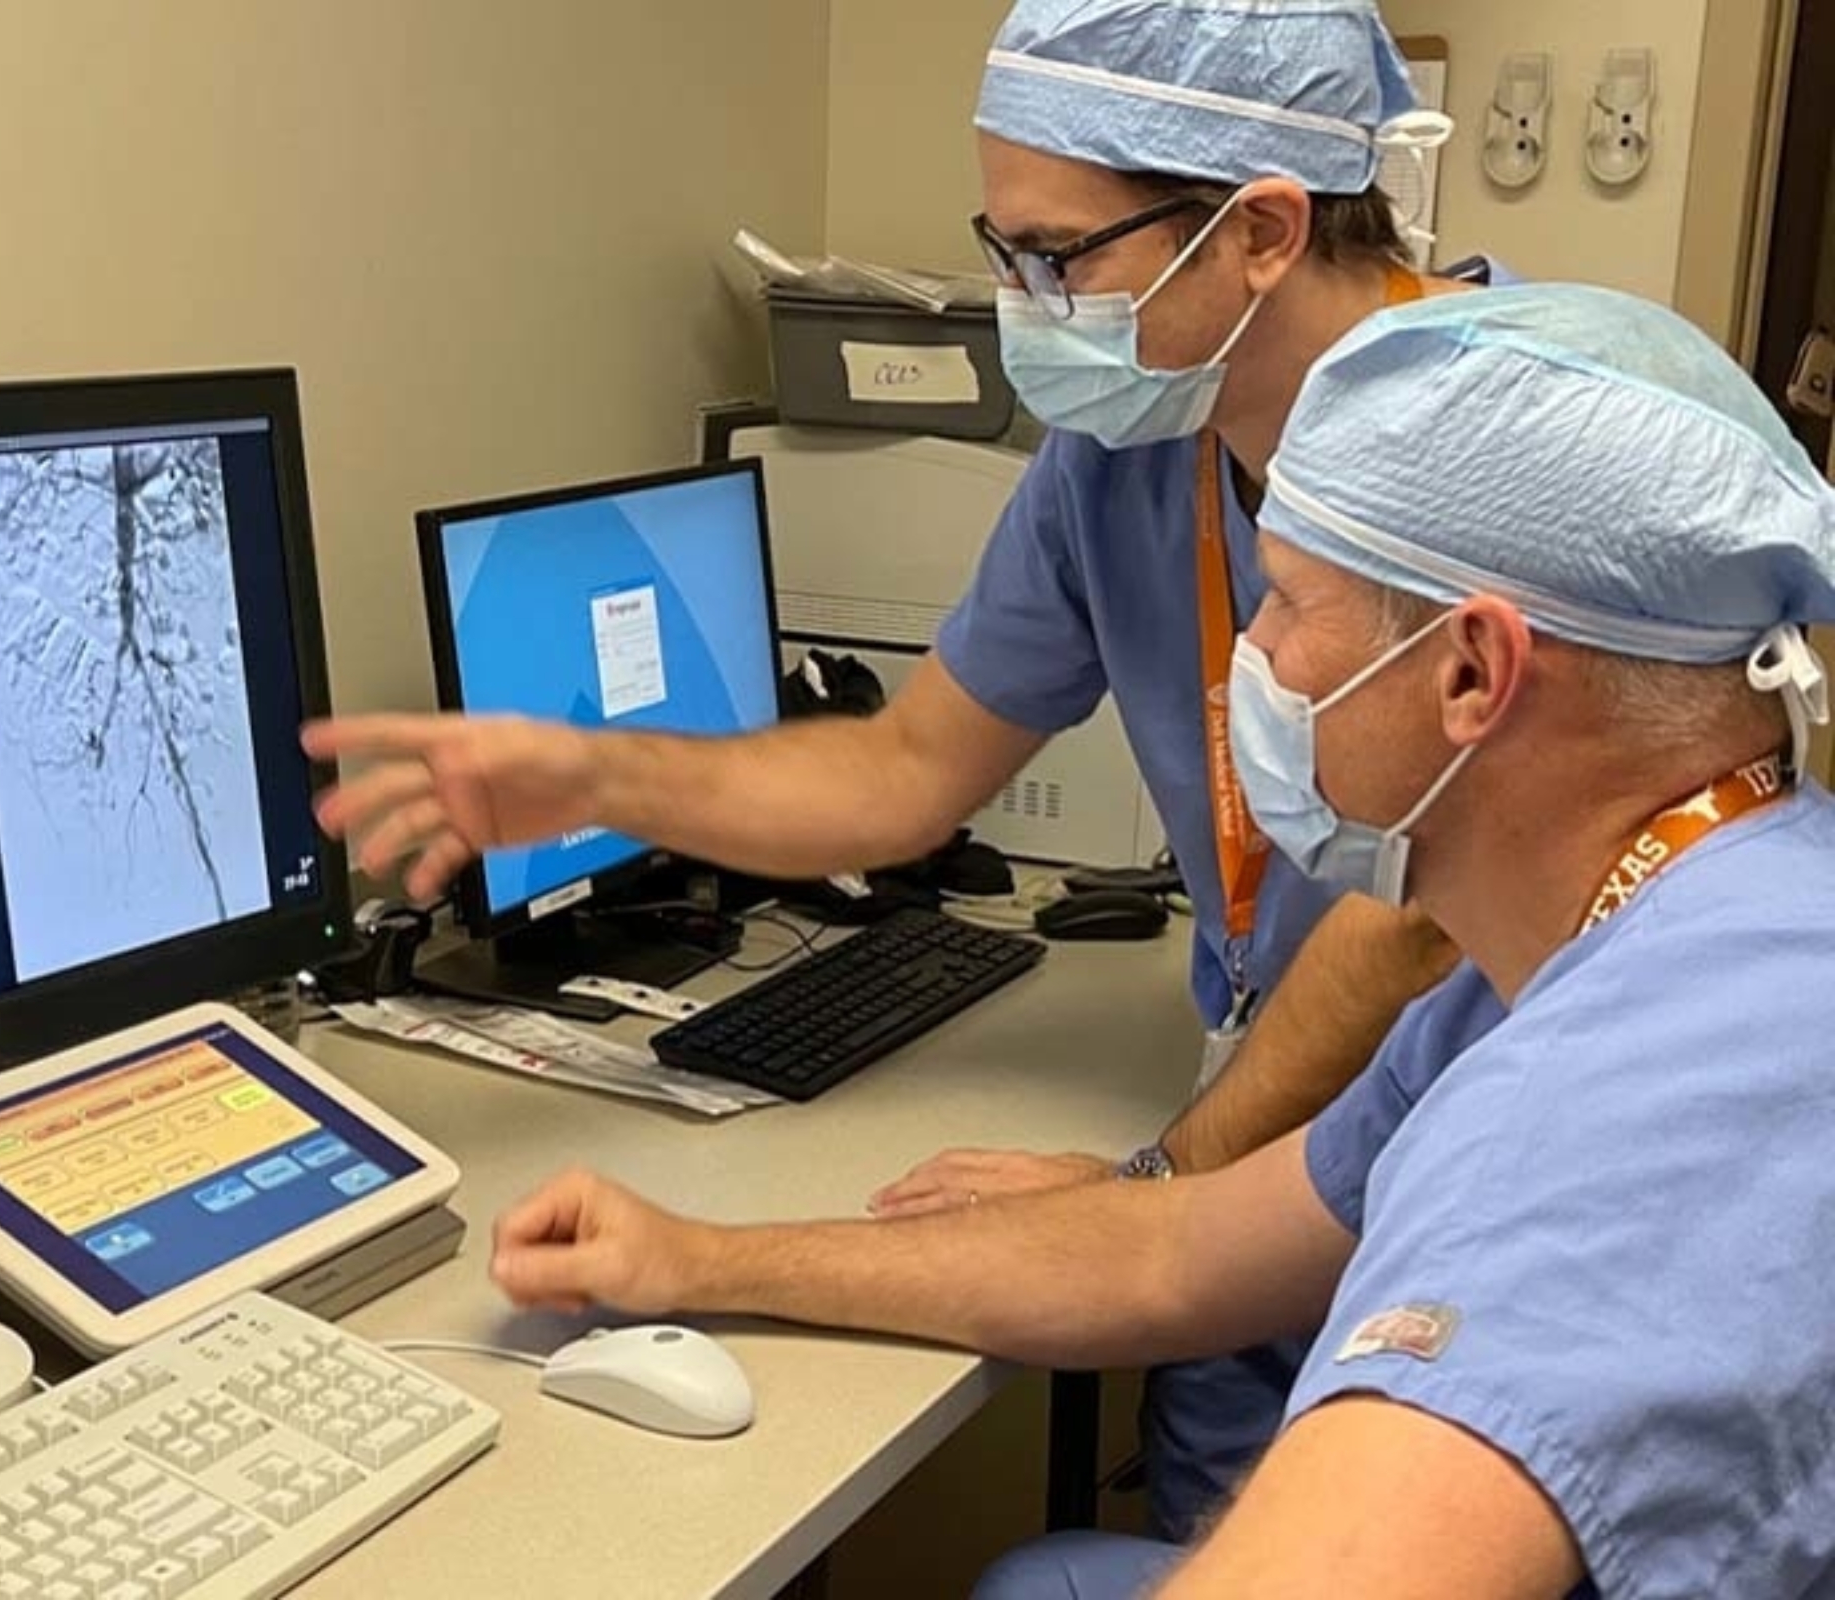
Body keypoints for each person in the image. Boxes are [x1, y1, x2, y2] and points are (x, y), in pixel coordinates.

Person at [308, 0, 1501, 1535]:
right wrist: (600, 776)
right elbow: (901, 771)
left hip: (1457, 1180)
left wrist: (1153, 1184)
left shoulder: (1502, 441)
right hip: (1249, 1163)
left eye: (1058, 259)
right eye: (1003, 249)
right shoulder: (1130, 453)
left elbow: (1415, 916)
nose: (1025, 304)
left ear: (1262, 228)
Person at [487, 283, 1835, 1598]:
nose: (1247, 647)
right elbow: (1175, 1251)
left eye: (1291, 604)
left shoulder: (1643, 1090)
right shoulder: (1611, 943)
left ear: (1472, 673)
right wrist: (697, 1260)